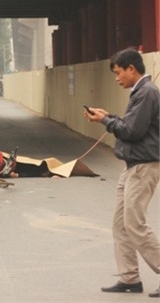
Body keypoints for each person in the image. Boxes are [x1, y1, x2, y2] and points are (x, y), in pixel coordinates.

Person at [84, 48, 159, 298]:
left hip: (144, 166)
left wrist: (105, 122)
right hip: (132, 166)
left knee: (134, 224)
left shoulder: (147, 93)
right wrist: (109, 116)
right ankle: (129, 278)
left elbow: (132, 132)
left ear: (131, 69)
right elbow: (130, 124)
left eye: (118, 73)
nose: (117, 78)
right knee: (120, 225)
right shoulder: (139, 92)